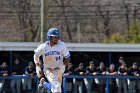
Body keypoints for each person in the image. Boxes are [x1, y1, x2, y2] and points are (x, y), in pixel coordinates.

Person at [34, 27, 70, 93]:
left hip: (59, 69)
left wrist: (63, 66)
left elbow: (67, 57)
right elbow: (36, 55)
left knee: (57, 87)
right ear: (49, 37)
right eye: (55, 37)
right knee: (57, 88)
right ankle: (44, 83)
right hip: (48, 69)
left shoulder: (62, 45)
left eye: (58, 37)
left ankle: (44, 83)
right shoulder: (43, 46)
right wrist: (37, 66)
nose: (57, 38)